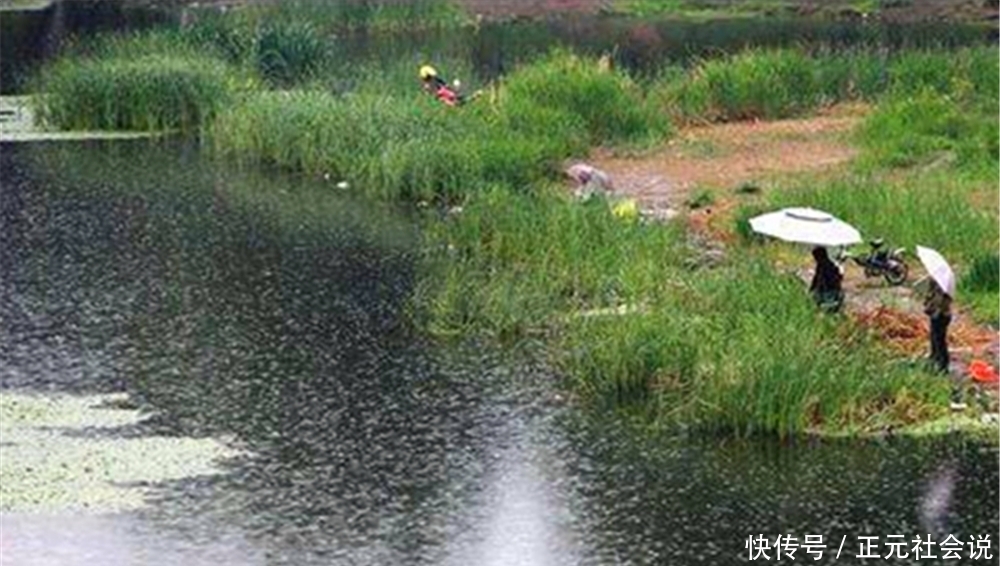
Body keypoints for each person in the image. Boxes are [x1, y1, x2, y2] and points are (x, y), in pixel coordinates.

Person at [922, 277, 952, 374]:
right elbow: (930, 296)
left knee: (939, 340)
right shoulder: (934, 281)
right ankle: (934, 356)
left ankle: (943, 365)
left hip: (941, 315)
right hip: (937, 314)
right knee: (933, 336)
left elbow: (939, 301)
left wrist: (930, 307)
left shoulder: (943, 284)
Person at [809, 246, 844, 313]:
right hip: (826, 290)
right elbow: (816, 278)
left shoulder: (828, 266)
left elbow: (830, 281)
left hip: (829, 291)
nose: (815, 259)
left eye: (816, 257)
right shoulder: (821, 265)